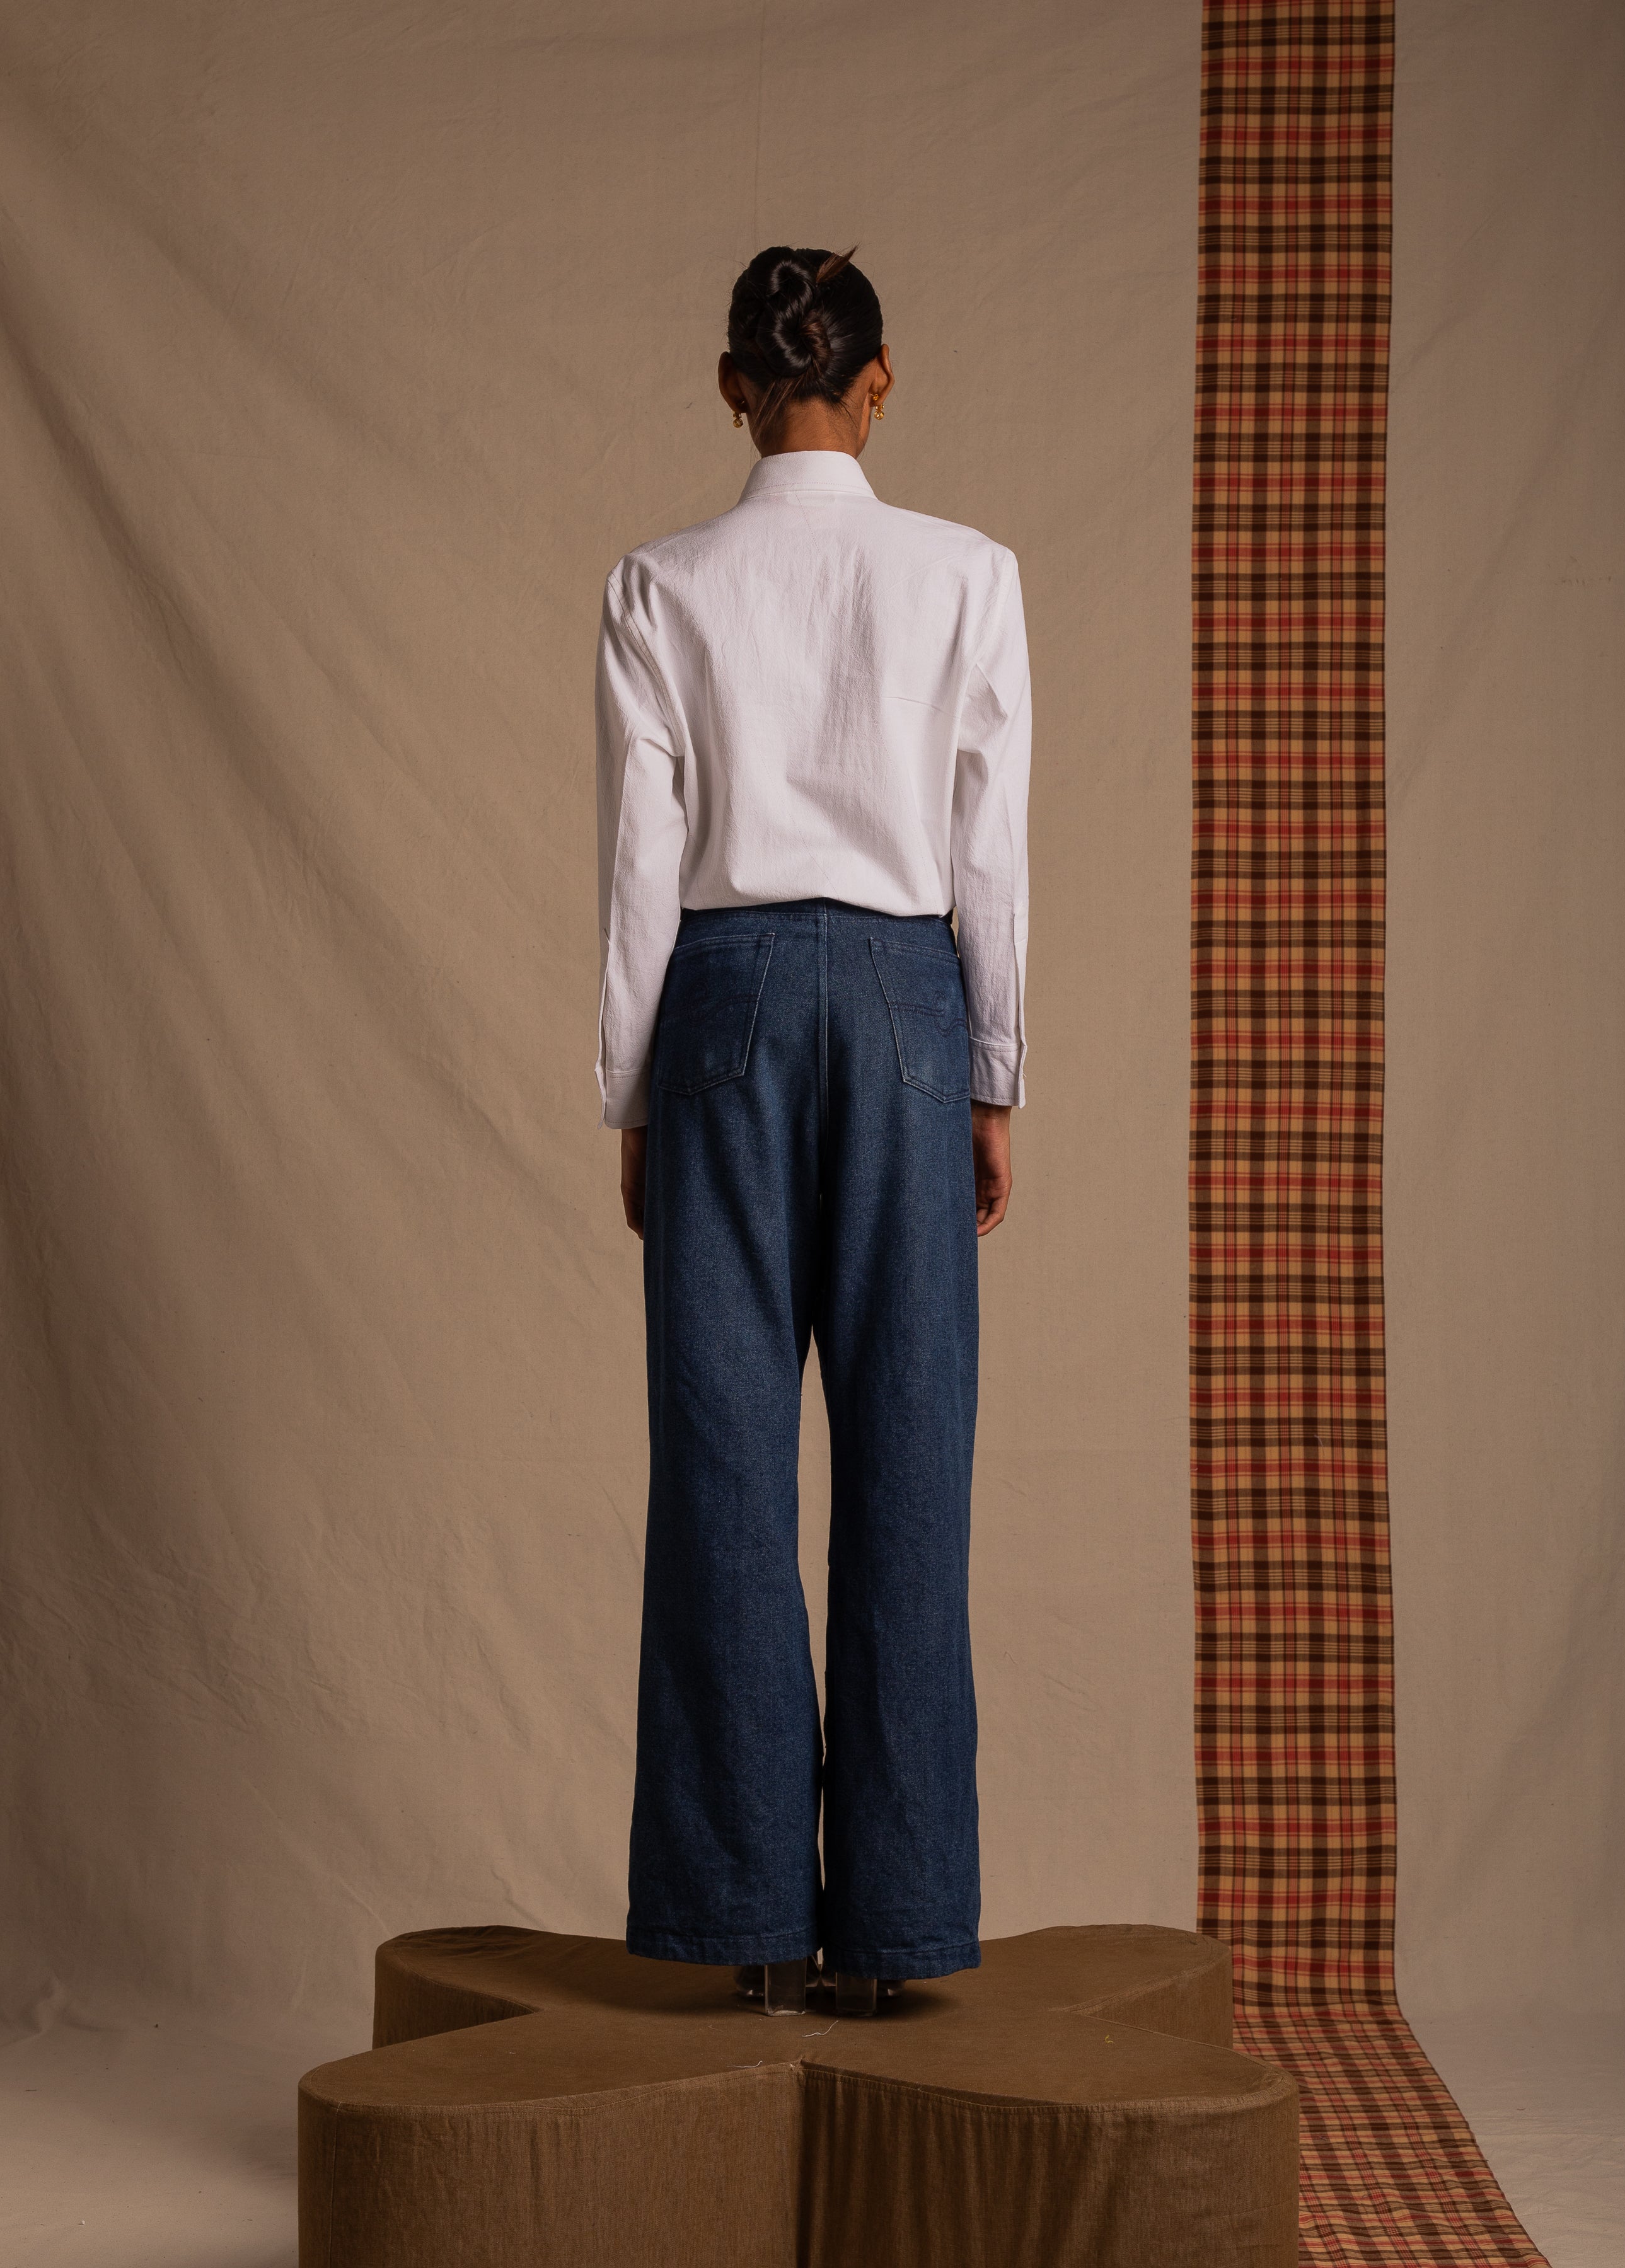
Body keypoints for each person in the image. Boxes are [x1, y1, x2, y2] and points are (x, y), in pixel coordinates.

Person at [593, 246, 1031, 2018]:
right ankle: (900, 1937)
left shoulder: (659, 584)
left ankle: (749, 1929)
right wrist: (990, 1076)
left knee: (721, 1470)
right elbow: (990, 844)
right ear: (881, 379)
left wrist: (635, 1094)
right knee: (911, 1466)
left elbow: (641, 863)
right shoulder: (970, 574)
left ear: (732, 388)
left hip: (723, 1006)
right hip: (914, 1000)